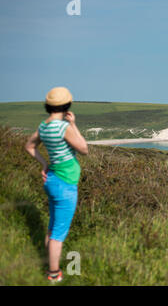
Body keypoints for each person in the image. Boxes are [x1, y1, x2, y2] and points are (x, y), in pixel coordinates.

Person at [25, 87, 88, 283]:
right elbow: (84, 149)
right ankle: (54, 274)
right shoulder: (64, 128)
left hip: (52, 180)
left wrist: (45, 164)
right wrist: (74, 125)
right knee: (58, 234)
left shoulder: (43, 127)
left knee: (52, 227)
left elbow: (29, 146)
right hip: (65, 184)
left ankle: (48, 263)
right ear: (67, 105)